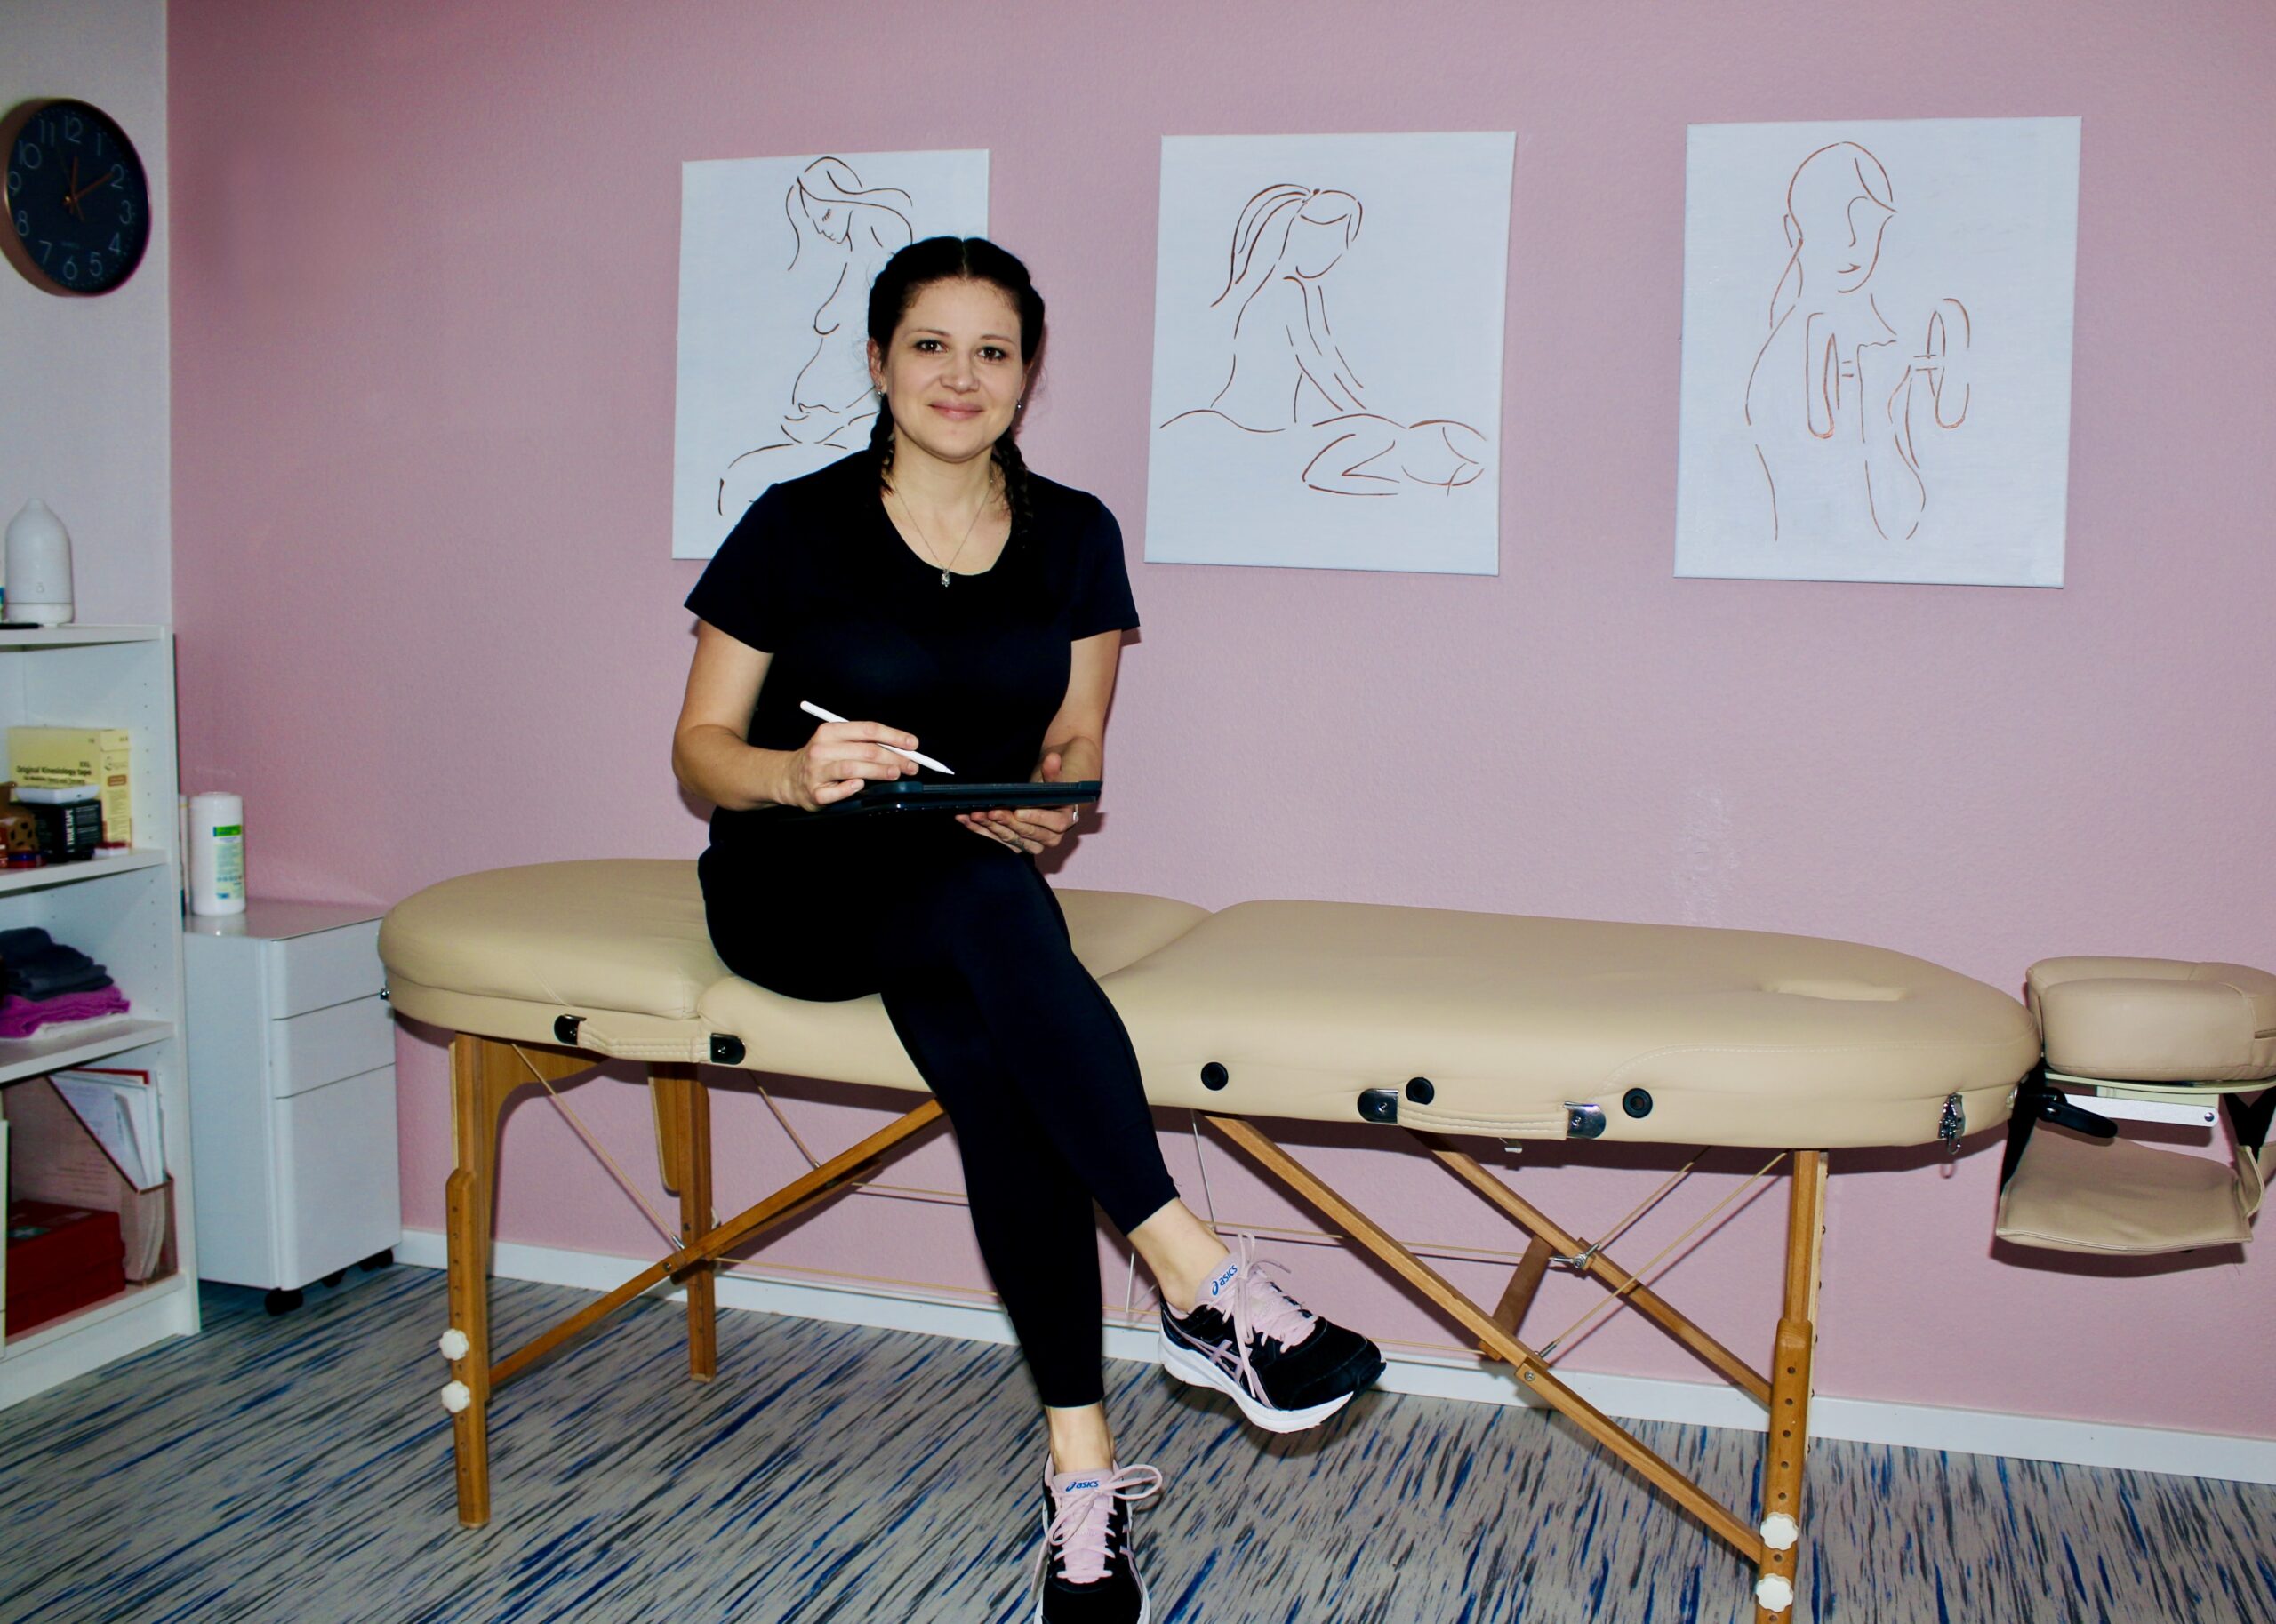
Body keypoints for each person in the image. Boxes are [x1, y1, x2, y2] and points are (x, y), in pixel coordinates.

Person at [673, 235, 1383, 1622]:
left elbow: (1073, 739)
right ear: (878, 363)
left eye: (992, 350)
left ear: (1027, 375)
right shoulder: (794, 524)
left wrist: (1050, 806)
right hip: (796, 882)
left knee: (998, 1030)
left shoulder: (1075, 535)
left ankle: (1082, 1471)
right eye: (930, 345)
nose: (961, 375)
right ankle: (1194, 1271)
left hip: (964, 891)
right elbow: (701, 748)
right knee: (990, 926)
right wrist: (793, 774)